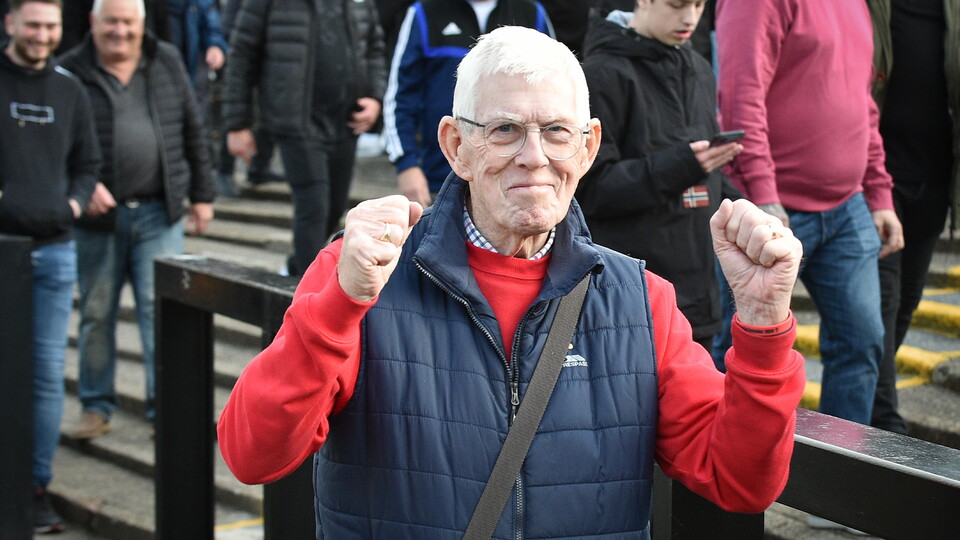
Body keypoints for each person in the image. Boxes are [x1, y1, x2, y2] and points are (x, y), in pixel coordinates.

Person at [219, 26, 806, 537]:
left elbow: (739, 481)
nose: (533, 155)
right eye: (504, 130)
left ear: (588, 146)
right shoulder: (363, 276)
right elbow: (252, 454)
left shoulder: (641, 300)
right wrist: (339, 305)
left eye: (556, 131)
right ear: (456, 147)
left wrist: (762, 324)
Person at [716, 0, 903, 426]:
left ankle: (841, 475)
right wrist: (763, 191)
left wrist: (879, 193)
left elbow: (864, 107)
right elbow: (741, 95)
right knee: (736, 348)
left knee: (862, 342)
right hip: (771, 207)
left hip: (848, 205)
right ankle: (728, 470)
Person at [59, 0, 216, 438]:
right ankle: (96, 406)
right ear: (93, 22)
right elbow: (56, 143)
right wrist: (80, 185)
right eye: (112, 21)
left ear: (142, 23)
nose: (120, 31)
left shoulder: (164, 58)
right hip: (98, 219)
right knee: (95, 311)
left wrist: (202, 195)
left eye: (129, 22)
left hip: (157, 211)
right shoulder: (69, 70)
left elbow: (192, 126)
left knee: (160, 311)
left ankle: (165, 409)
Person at [578, 0, 741, 352]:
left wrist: (743, 208)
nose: (690, 18)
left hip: (699, 301)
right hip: (631, 306)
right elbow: (590, 190)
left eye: (699, 5)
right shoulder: (601, 73)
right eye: (677, 4)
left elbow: (706, 176)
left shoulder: (698, 68)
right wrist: (685, 165)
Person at [0, 0, 100, 531]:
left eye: (51, 26)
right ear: (10, 22)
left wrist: (73, 205)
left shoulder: (69, 89)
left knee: (43, 379)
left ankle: (33, 487)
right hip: (2, 251)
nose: (42, 35)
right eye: (33, 24)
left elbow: (88, 164)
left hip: (56, 251)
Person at [223, 0, 387, 277]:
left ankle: (297, 267)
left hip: (345, 121)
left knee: (334, 207)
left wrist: (374, 96)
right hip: (295, 122)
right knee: (314, 207)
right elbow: (241, 55)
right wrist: (237, 124)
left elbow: (373, 47)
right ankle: (305, 294)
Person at [868, 0, 960, 434]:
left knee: (904, 306)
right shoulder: (872, 7)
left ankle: (868, 414)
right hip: (877, 181)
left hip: (935, 179)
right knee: (879, 313)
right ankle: (886, 431)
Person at [381, 0, 553, 208]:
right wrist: (406, 164)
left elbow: (555, 93)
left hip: (516, 177)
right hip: (440, 179)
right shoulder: (424, 13)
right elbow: (400, 97)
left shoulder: (531, 13)